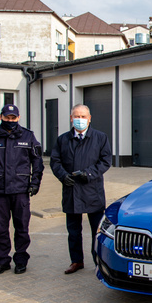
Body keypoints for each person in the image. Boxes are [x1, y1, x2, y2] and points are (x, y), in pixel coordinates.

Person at [0, 104, 44, 275]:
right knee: (0, 228)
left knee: (22, 228)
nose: (10, 120)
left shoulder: (28, 136)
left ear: (18, 118)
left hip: (20, 191)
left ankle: (20, 260)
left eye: (13, 118)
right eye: (7, 117)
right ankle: (2, 261)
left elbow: (37, 162)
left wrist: (35, 183)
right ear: (1, 117)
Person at [51, 104, 111, 274]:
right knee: (73, 231)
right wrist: (63, 176)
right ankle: (76, 261)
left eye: (83, 117)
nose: (80, 120)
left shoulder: (100, 138)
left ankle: (98, 261)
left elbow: (106, 161)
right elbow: (55, 161)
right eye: (76, 116)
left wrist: (89, 174)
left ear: (89, 119)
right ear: (71, 118)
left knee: (97, 231)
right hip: (71, 191)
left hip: (92, 191)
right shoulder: (63, 139)